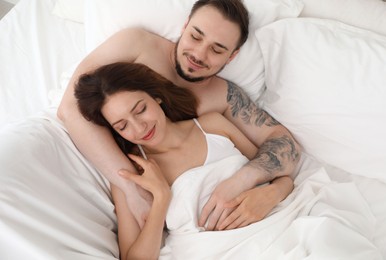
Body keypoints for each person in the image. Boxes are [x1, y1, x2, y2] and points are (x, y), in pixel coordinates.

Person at [58, 0, 301, 231]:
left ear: (232, 56)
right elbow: (69, 109)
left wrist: (249, 182)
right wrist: (131, 189)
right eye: (195, 36)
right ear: (184, 27)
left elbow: (283, 141)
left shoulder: (223, 96)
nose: (198, 54)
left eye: (217, 50)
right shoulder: (136, 45)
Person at [74, 62, 294, 260]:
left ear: (156, 96)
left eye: (140, 109)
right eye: (122, 126)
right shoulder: (129, 174)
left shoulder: (213, 125)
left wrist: (270, 194)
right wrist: (161, 198)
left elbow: (280, 174)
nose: (139, 127)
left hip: (281, 226)